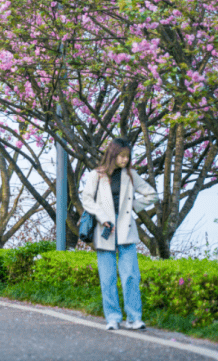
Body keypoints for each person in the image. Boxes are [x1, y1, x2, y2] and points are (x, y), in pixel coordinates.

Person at [80, 138, 159, 330]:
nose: (125, 160)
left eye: (127, 157)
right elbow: (87, 199)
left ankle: (134, 317)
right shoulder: (96, 175)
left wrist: (132, 207)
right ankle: (113, 318)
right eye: (122, 156)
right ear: (112, 154)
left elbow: (152, 194)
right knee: (107, 277)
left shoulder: (131, 175)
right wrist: (101, 216)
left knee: (131, 275)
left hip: (125, 228)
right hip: (104, 228)